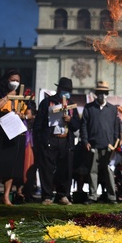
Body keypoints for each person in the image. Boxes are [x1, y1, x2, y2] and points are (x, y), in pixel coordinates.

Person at [0, 70, 31, 206]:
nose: (15, 83)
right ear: (6, 80)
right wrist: (7, 97)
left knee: (11, 166)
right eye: (13, 79)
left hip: (14, 131)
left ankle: (6, 196)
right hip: (0, 130)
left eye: (17, 80)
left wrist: (22, 115)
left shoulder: (21, 96)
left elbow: (28, 113)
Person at [33, 77, 80, 205]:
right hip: (50, 140)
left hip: (65, 141)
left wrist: (70, 120)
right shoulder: (47, 103)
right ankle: (47, 196)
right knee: (47, 169)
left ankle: (63, 195)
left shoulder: (71, 106)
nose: (66, 92)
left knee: (65, 169)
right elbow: (38, 124)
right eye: (64, 89)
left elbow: (77, 126)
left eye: (68, 90)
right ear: (58, 89)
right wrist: (40, 141)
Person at [80, 81, 121, 205]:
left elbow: (116, 128)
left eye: (105, 93)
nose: (102, 95)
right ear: (96, 94)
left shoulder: (112, 109)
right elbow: (84, 126)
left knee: (109, 171)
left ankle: (112, 197)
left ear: (107, 94)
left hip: (108, 146)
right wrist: (85, 141)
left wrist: (115, 143)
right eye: (100, 93)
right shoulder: (89, 108)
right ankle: (92, 196)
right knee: (93, 172)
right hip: (93, 145)